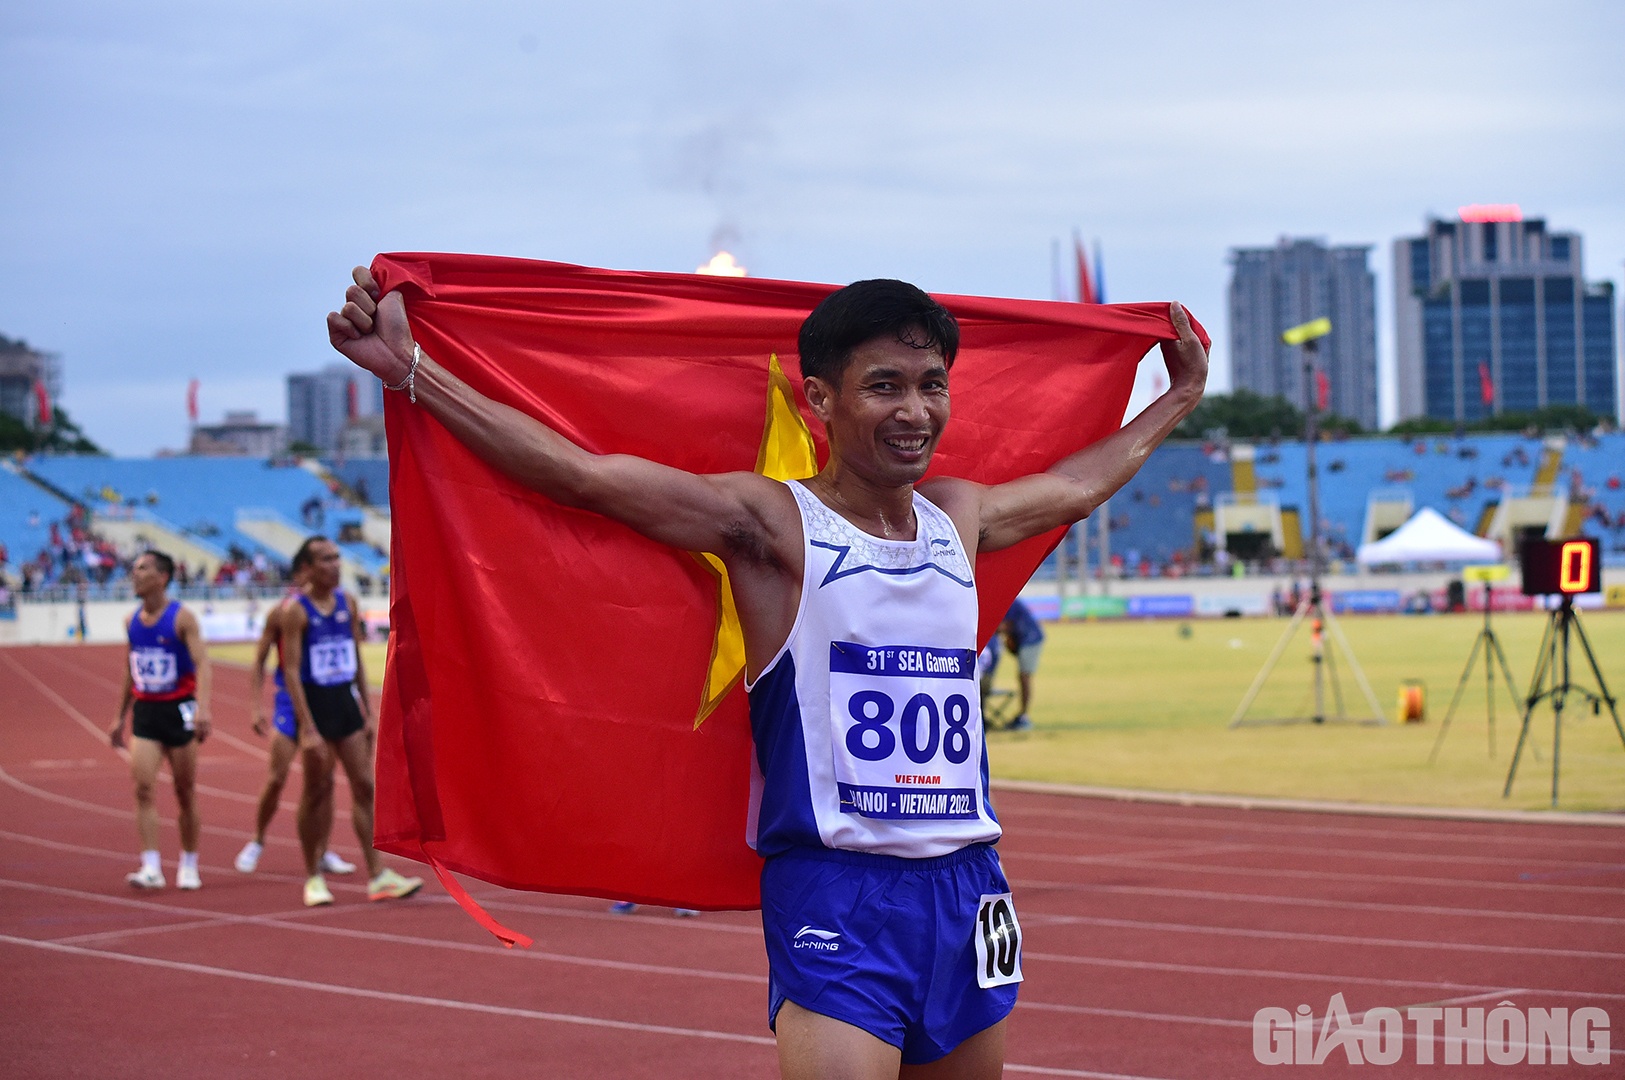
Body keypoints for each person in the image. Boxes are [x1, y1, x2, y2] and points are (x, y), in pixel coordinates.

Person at [329, 268, 1206, 1078]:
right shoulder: (772, 523)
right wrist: (412, 374)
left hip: (970, 886)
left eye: (931, 384)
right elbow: (582, 477)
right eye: (884, 386)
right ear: (819, 398)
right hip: (836, 887)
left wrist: (1178, 398)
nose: (914, 410)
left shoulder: (957, 516)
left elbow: (1074, 488)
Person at [279, 535, 422, 907]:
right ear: (308, 568)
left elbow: (355, 658)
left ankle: (378, 875)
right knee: (318, 790)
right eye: (326, 559)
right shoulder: (295, 611)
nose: (336, 565)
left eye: (338, 558)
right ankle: (312, 876)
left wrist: (366, 708)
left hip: (345, 703)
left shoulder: (348, 602)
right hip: (316, 706)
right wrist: (306, 726)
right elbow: (290, 671)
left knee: (363, 786)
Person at [234, 567, 356, 877]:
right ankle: (258, 840)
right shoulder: (282, 613)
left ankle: (323, 850)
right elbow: (260, 660)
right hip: (289, 706)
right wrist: (255, 707)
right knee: (277, 777)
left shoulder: (335, 605)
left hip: (320, 705)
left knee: (325, 783)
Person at [107, 550, 212, 890]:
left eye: (142, 569)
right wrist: (118, 716)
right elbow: (130, 668)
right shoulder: (131, 621)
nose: (134, 574)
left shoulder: (183, 619)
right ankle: (151, 866)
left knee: (185, 790)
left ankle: (190, 862)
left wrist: (203, 708)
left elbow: (203, 664)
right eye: (134, 568)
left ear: (162, 576)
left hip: (179, 710)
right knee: (143, 788)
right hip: (147, 712)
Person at [998, 599, 1045, 730]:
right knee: (1023, 677)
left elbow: (1005, 625)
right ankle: (1023, 715)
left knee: (1025, 677)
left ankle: (1024, 716)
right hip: (1027, 638)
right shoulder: (1009, 600)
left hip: (1030, 639)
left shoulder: (1008, 601)